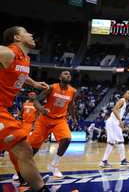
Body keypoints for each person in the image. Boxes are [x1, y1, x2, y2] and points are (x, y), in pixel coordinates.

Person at [0, 26, 51, 192]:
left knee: (23, 151)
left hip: (3, 108)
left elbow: (19, 72)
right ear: (17, 38)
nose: (31, 34)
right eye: (26, 32)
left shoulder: (24, 59)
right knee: (24, 150)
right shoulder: (9, 53)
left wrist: (33, 83)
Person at [27, 70, 78, 178]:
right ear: (60, 77)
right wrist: (41, 110)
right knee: (34, 147)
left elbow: (71, 105)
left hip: (59, 120)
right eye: (65, 74)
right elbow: (36, 101)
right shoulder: (51, 88)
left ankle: (53, 165)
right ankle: (23, 169)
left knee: (66, 140)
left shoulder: (73, 91)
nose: (68, 75)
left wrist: (73, 117)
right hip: (45, 119)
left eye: (69, 74)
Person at [99, 89, 129, 168]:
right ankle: (123, 161)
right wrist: (120, 120)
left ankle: (104, 161)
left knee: (111, 142)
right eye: (128, 93)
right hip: (113, 121)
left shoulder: (125, 102)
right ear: (124, 94)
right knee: (120, 141)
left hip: (112, 121)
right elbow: (114, 109)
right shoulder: (122, 101)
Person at [10, 91, 38, 181]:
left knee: (26, 146)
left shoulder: (37, 104)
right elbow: (22, 113)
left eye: (34, 95)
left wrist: (35, 124)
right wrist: (19, 114)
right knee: (16, 143)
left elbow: (38, 115)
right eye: (31, 95)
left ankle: (22, 170)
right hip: (22, 123)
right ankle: (18, 170)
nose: (33, 96)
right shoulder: (25, 104)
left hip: (30, 125)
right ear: (29, 96)